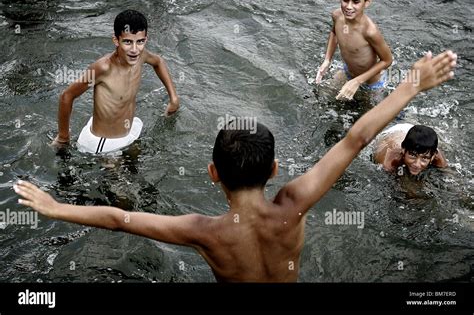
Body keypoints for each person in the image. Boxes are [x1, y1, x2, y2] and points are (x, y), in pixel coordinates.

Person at [15, 51, 456, 282]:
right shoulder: (293, 204)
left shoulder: (204, 231)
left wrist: (56, 207)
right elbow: (355, 137)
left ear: (213, 174)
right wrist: (410, 86)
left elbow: (118, 218)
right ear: (275, 169)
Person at [52, 10, 180, 154]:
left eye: (140, 42)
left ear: (145, 39)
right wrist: (63, 137)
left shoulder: (141, 55)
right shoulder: (103, 68)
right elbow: (66, 96)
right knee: (119, 176)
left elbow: (158, 61)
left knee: (136, 169)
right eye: (127, 42)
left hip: (128, 131)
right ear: (116, 40)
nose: (134, 49)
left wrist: (173, 98)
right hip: (104, 143)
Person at [316, 0, 393, 101]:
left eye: (356, 2)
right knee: (322, 96)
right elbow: (334, 32)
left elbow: (387, 60)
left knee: (370, 118)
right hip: (348, 72)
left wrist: (358, 81)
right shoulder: (337, 15)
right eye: (345, 0)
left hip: (371, 84)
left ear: (367, 2)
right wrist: (327, 60)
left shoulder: (369, 31)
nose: (349, 7)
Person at [373, 123, 447, 176]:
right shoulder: (391, 159)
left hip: (413, 133)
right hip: (391, 134)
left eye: (424, 158)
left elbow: (449, 176)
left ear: (433, 156)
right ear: (403, 150)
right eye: (412, 155)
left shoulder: (436, 156)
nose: (417, 164)